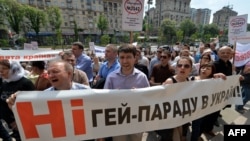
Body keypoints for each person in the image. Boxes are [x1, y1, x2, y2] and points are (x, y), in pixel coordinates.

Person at [6, 60, 93, 141]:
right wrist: (16, 107)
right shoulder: (43, 97)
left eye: (55, 72)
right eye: (49, 73)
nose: (50, 75)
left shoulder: (86, 92)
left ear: (69, 74)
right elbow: (33, 121)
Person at [99, 44, 150, 141]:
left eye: (128, 57)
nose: (125, 61)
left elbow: (148, 99)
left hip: (137, 120)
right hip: (118, 121)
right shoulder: (111, 77)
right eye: (122, 57)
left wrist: (139, 95)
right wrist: (114, 95)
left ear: (135, 58)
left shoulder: (142, 77)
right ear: (118, 58)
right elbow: (105, 100)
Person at [0, 59, 35, 141]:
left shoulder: (26, 83)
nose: (1, 71)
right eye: (0, 69)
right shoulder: (4, 83)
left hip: (22, 125)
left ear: (14, 69)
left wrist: (19, 121)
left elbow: (32, 105)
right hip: (7, 125)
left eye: (4, 69)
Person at [190, 63, 225, 141]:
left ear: (212, 71)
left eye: (208, 68)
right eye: (203, 68)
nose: (204, 70)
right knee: (195, 126)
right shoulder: (191, 79)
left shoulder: (214, 81)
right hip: (193, 108)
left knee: (201, 124)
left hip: (205, 108)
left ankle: (197, 136)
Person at [163, 56, 193, 141]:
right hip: (172, 119)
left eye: (186, 66)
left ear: (191, 69)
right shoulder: (170, 82)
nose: (182, 68)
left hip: (184, 116)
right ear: (176, 68)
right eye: (180, 65)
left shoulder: (189, 80)